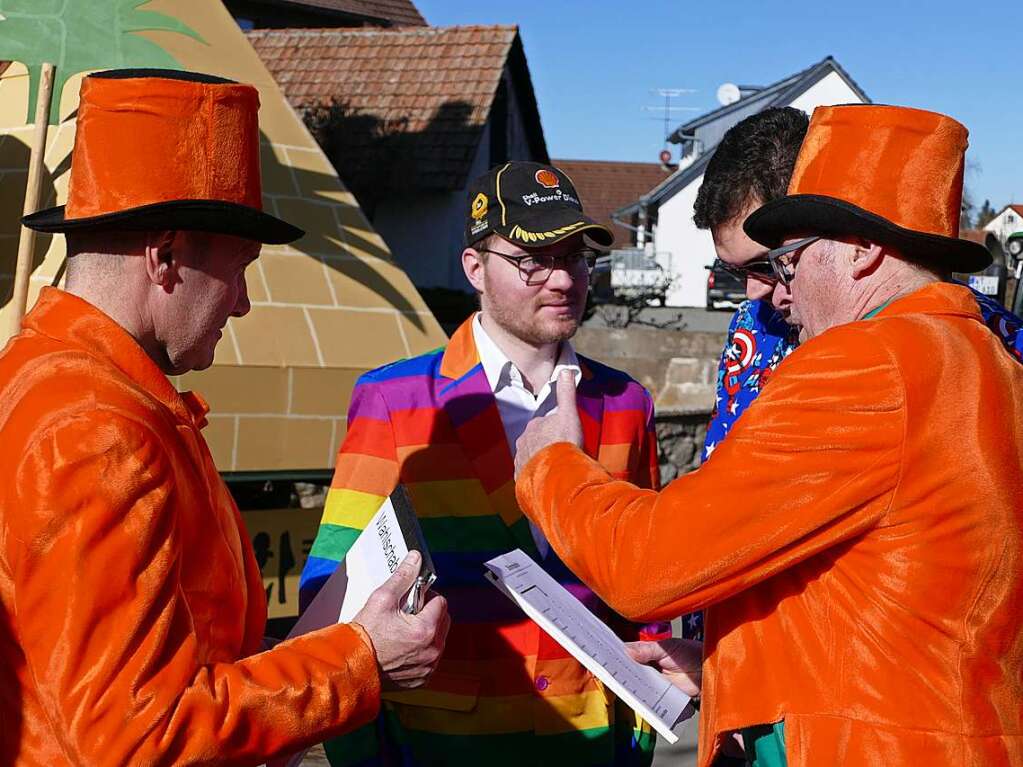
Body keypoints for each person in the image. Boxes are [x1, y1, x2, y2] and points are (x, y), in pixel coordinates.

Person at [513, 104, 1023, 766]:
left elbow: (647, 565)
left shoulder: (865, 364)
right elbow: (882, 605)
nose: (778, 292)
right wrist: (731, 667)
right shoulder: (990, 358)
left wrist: (551, 464)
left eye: (787, 260)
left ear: (862, 248)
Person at [0, 69, 448, 767]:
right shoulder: (96, 427)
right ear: (166, 255)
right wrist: (360, 660)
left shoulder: (48, 375)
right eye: (240, 269)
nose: (241, 304)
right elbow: (140, 736)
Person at [300, 161, 671, 767]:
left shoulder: (627, 403)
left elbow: (646, 579)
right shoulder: (394, 400)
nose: (562, 278)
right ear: (475, 267)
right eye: (533, 258)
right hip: (439, 741)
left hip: (593, 738)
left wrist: (643, 727)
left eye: (575, 256)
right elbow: (338, 586)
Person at [680, 108, 1023, 656]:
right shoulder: (755, 326)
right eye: (732, 271)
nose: (751, 294)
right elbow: (723, 479)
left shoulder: (992, 339)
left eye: (769, 265)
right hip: (749, 679)